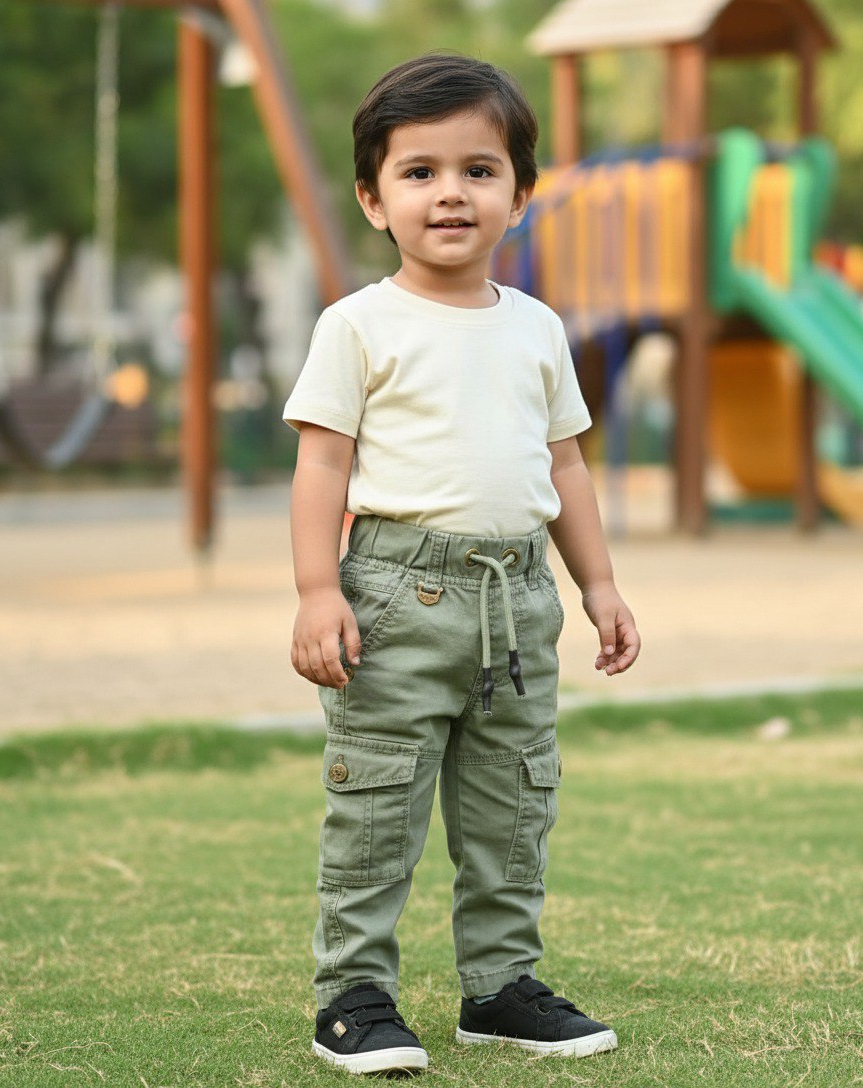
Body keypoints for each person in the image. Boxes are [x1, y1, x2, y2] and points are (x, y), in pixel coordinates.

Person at [284, 53, 641, 1075]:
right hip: (397, 593)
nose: (451, 192)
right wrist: (318, 590)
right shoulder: (357, 324)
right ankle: (353, 993)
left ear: (520, 196)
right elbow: (322, 462)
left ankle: (500, 987)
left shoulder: (537, 329)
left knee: (513, 801)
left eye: (480, 170)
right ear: (373, 197)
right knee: (378, 799)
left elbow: (564, 461)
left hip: (519, 599)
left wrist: (599, 584)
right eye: (420, 171)